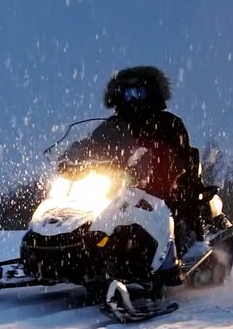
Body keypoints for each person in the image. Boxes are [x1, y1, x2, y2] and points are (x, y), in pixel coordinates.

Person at [61, 65, 204, 244]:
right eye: (127, 94)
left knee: (165, 209)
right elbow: (91, 144)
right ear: (118, 96)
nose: (133, 99)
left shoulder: (169, 123)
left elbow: (178, 157)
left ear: (153, 93)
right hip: (117, 188)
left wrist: (152, 166)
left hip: (158, 189)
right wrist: (70, 157)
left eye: (139, 92)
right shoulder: (111, 126)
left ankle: (182, 242)